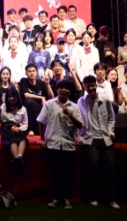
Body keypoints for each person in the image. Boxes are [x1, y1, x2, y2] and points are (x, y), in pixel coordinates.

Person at [38, 80, 83, 210]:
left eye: (66, 88)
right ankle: (57, 199)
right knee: (55, 173)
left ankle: (67, 199)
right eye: (61, 88)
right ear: (57, 89)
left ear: (70, 91)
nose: (64, 90)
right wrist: (42, 139)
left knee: (68, 174)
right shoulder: (49, 104)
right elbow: (41, 122)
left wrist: (69, 114)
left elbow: (80, 125)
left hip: (69, 145)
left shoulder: (75, 107)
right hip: (53, 144)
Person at [77, 75, 120, 210]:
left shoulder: (105, 100)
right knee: (92, 167)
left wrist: (111, 131)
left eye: (93, 85)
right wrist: (79, 136)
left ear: (96, 85)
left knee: (110, 169)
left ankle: (110, 199)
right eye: (88, 86)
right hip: (90, 139)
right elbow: (78, 120)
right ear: (84, 86)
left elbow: (111, 118)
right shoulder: (81, 101)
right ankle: (92, 197)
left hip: (106, 139)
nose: (91, 88)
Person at [0, 86, 29, 171]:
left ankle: (18, 158)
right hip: (6, 126)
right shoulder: (3, 106)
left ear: (17, 96)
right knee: (12, 138)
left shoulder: (23, 109)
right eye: (9, 97)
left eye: (13, 96)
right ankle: (18, 160)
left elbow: (25, 124)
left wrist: (19, 129)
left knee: (23, 138)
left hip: (17, 126)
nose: (11, 98)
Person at [19, 64, 53, 135]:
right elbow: (26, 95)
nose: (32, 73)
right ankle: (30, 129)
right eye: (29, 71)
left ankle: (40, 129)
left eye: (33, 71)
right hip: (27, 108)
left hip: (39, 108)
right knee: (29, 101)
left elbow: (52, 97)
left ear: (36, 72)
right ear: (26, 73)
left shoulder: (41, 83)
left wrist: (47, 84)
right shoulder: (23, 81)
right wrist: (41, 97)